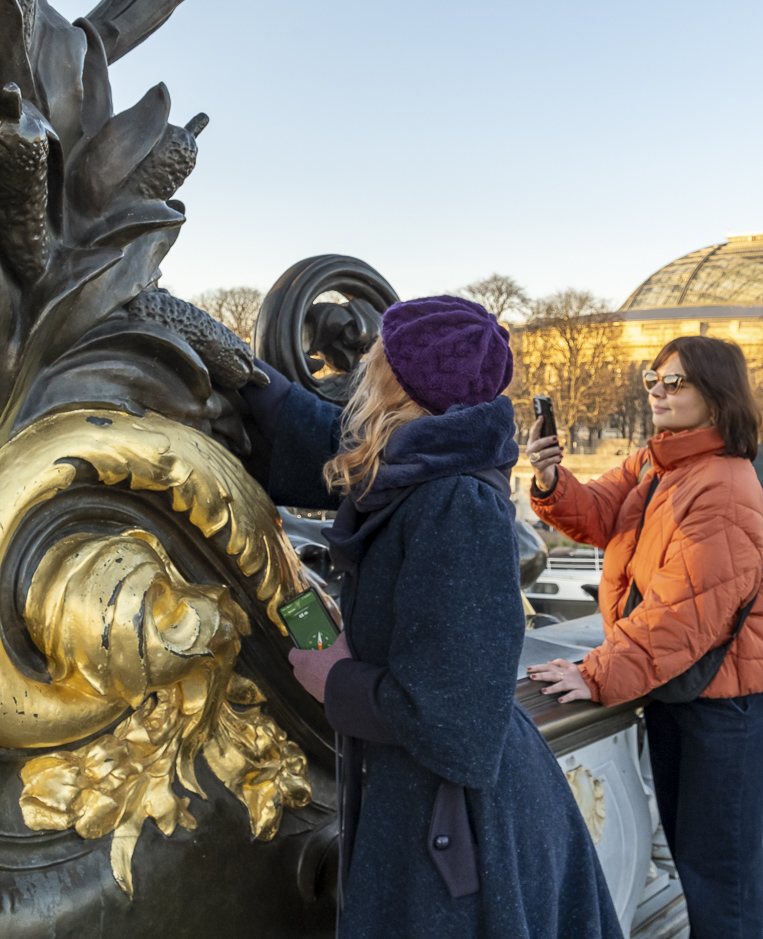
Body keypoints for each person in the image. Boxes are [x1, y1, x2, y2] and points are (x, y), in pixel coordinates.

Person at [242, 296, 621, 939]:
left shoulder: (456, 505)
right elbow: (330, 442)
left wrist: (336, 679)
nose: (365, 365)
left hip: (458, 835)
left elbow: (457, 721)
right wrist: (242, 375)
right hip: (437, 815)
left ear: (397, 378)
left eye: (379, 356)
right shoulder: (428, 462)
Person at [525, 336, 763, 939]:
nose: (656, 389)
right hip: (684, 691)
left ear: (717, 397)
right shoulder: (658, 461)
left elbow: (684, 612)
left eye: (675, 382)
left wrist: (595, 673)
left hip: (726, 706)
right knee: (714, 880)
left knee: (720, 891)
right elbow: (596, 515)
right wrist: (549, 478)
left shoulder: (722, 485)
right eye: (654, 377)